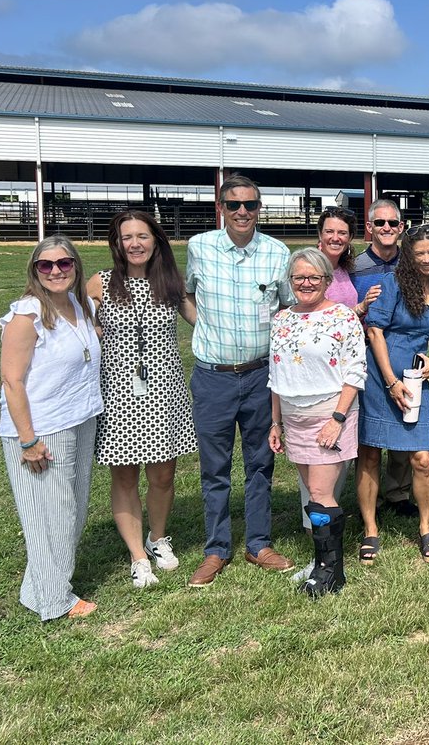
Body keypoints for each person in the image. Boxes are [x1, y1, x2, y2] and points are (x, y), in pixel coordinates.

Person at [184, 175, 293, 587]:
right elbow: (186, 294)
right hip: (214, 378)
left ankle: (258, 543)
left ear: (259, 208)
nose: (242, 212)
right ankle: (216, 549)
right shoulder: (200, 247)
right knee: (215, 468)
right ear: (221, 208)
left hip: (261, 375)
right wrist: (203, 327)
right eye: (234, 205)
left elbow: (287, 306)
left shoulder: (277, 253)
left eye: (250, 204)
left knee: (260, 463)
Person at [87, 210, 197, 588]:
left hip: (165, 392)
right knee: (125, 475)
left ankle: (157, 538)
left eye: (142, 236)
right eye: (126, 237)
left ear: (156, 241)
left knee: (163, 475)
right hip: (118, 394)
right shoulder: (101, 283)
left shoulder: (170, 282)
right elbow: (79, 328)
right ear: (117, 244)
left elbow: (202, 322)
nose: (135, 244)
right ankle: (138, 555)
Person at [0, 235, 103, 619]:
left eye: (64, 263)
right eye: (46, 265)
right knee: (51, 518)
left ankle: (37, 591)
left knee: (70, 511)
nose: (56, 271)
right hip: (42, 428)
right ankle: (56, 600)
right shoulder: (26, 316)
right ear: (35, 270)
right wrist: (29, 441)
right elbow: (12, 381)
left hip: (80, 418)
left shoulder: (79, 304)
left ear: (75, 266)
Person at [268, 247, 365, 597]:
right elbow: (276, 374)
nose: (306, 283)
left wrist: (337, 419)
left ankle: (331, 571)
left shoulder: (342, 317)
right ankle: (320, 561)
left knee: (322, 495)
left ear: (327, 280)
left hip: (329, 415)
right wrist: (276, 423)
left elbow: (355, 371)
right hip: (294, 419)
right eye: (299, 277)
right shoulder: (282, 319)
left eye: (314, 277)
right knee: (312, 495)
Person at [356, 225, 429, 564]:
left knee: (422, 458)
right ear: (409, 257)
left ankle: (426, 527)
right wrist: (389, 382)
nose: (426, 259)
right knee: (370, 454)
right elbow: (375, 332)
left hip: (413, 381)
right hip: (379, 380)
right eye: (419, 253)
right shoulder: (393, 284)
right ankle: (370, 529)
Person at [287, 205, 361, 583]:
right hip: (302, 397)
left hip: (337, 392)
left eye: (342, 232)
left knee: (325, 483)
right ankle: (321, 557)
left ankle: (328, 563)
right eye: (329, 231)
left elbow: (352, 359)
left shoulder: (346, 274)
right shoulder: (302, 273)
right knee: (314, 486)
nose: (335, 237)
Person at [351, 198, 416, 518]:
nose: (387, 228)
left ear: (401, 227)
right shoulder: (355, 268)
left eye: (393, 223)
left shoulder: (413, 264)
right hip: (366, 353)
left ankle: (398, 491)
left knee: (405, 420)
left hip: (403, 351)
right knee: (369, 430)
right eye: (380, 223)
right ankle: (370, 496)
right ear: (369, 227)